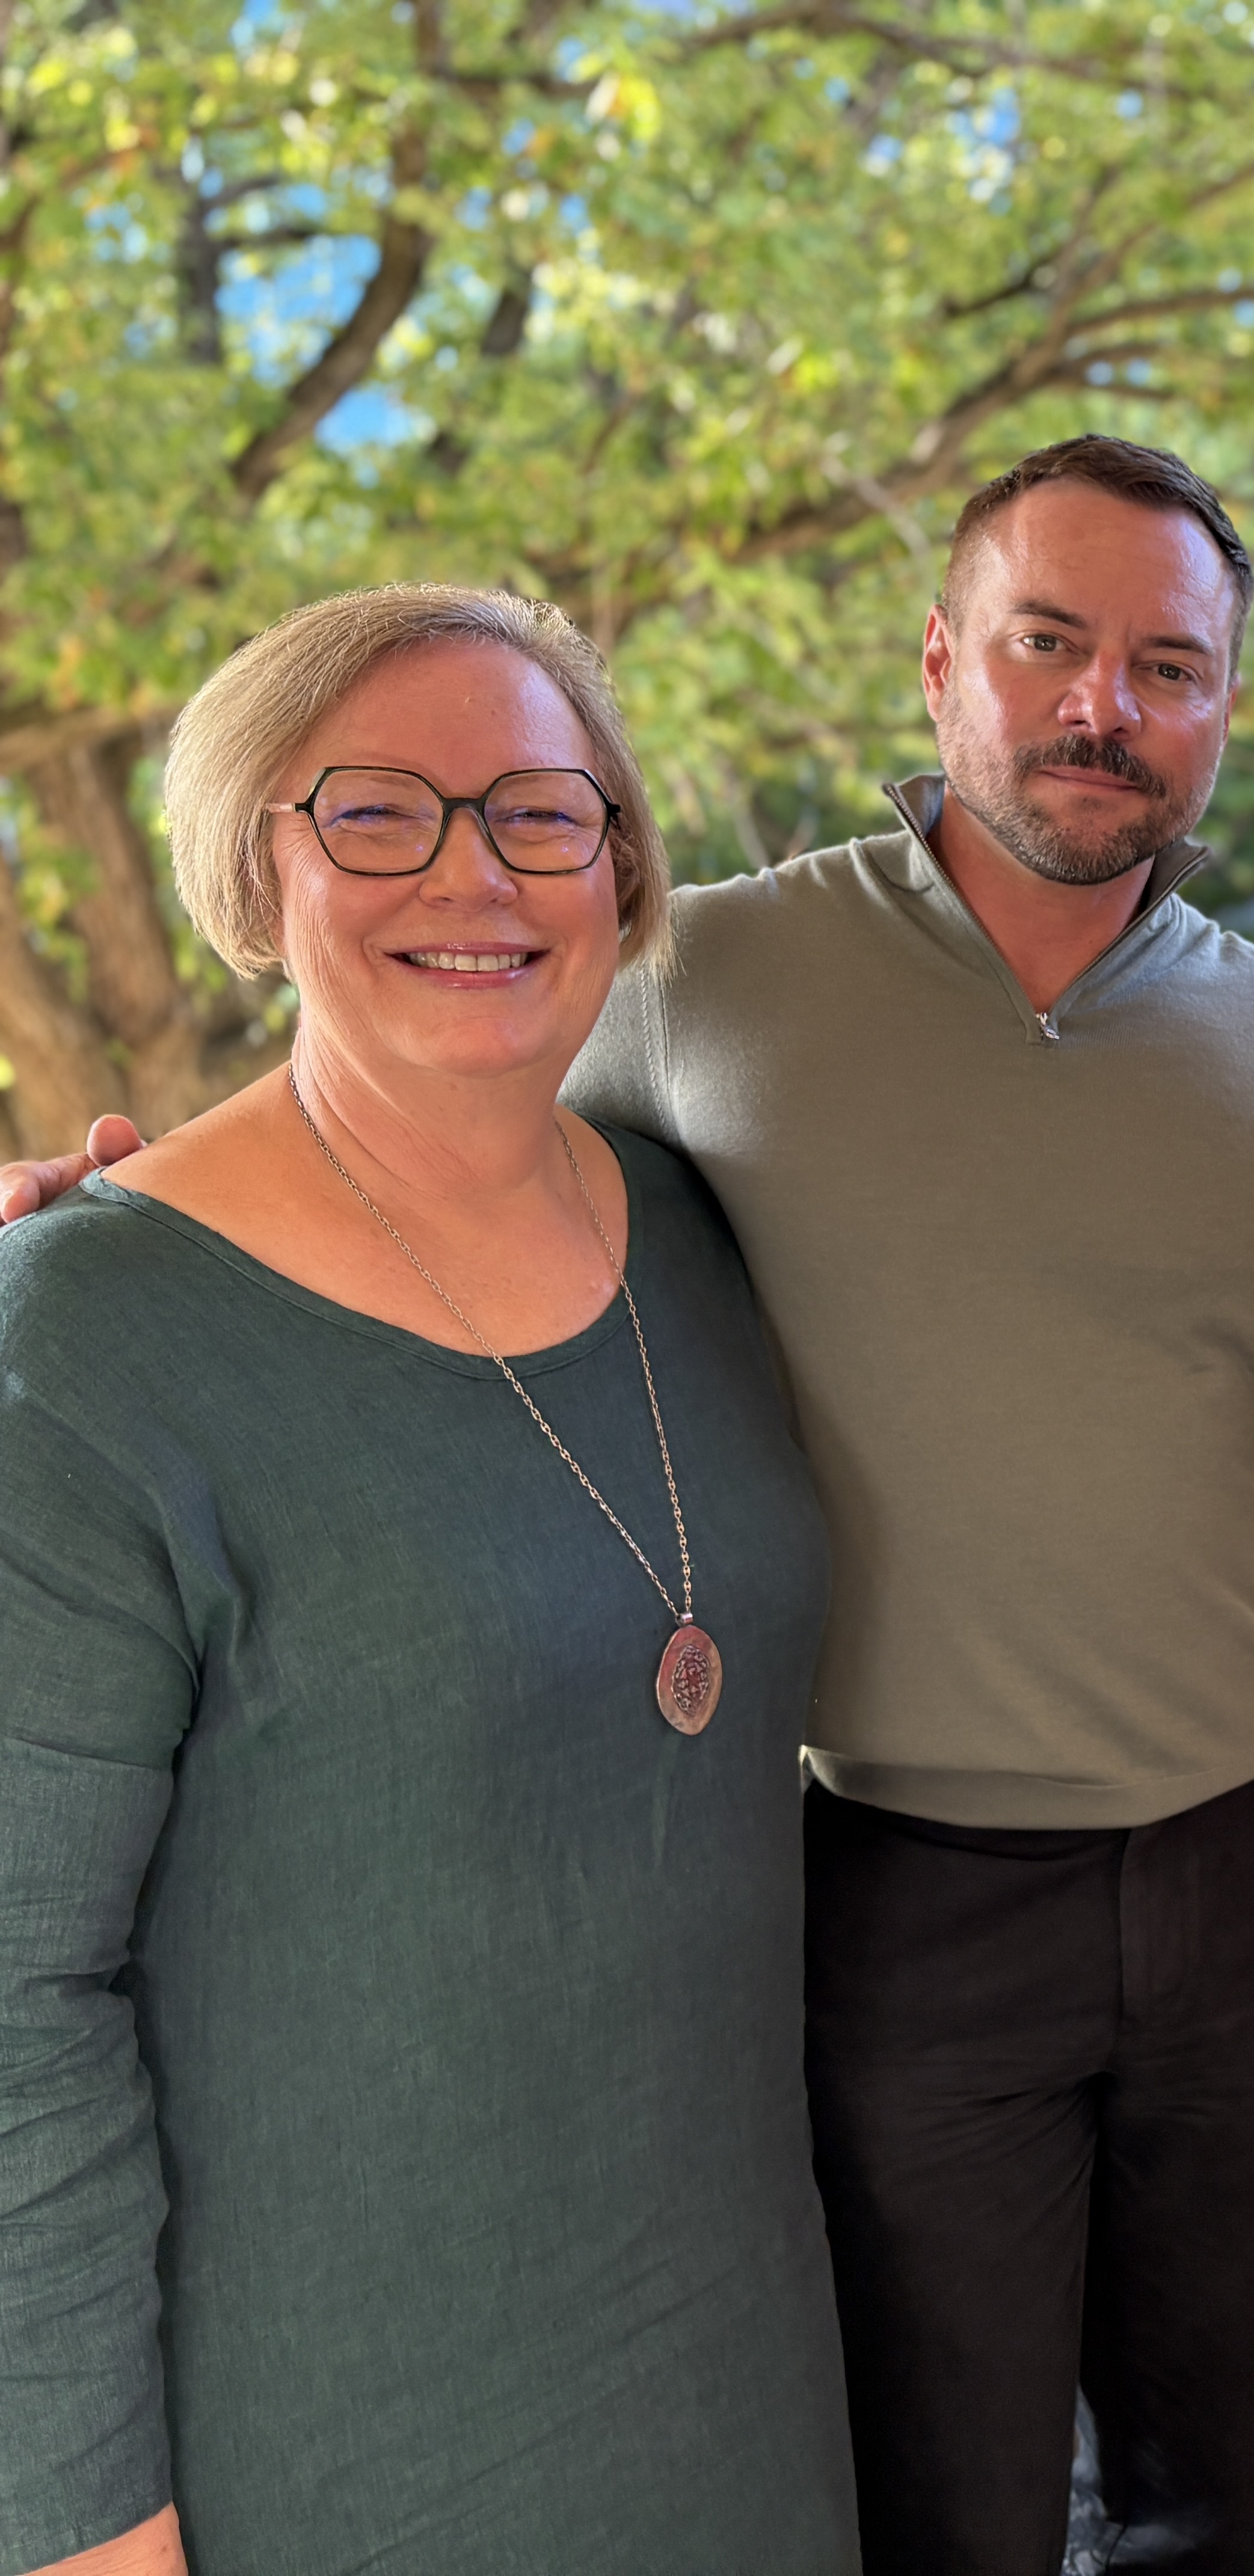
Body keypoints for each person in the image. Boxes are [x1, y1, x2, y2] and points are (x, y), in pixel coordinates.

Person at [1, 438, 1254, 2575]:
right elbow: (397, 1117)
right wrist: (98, 1219)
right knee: (959, 2504)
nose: (1105, 702)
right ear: (943, 661)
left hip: (1210, 1878)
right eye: (1048, 640)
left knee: (1216, 2491)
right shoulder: (701, 977)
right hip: (870, 1905)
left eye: (1167, 665)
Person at [0, 587, 857, 2576]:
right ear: (256, 869)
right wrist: (84, 2540)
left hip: (734, 2369)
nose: (474, 874)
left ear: (621, 871)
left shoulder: (692, 1227)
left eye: (541, 812)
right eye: (377, 811)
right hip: (332, 2438)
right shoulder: (80, 1345)